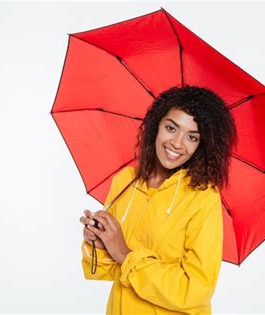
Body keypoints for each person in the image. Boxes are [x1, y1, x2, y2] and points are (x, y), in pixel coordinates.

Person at [79, 85, 237, 314]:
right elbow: (106, 272)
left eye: (192, 137)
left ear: (202, 145)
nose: (177, 143)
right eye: (171, 128)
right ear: (156, 125)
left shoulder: (202, 197)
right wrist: (100, 244)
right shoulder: (125, 182)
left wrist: (125, 254)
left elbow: (196, 290)